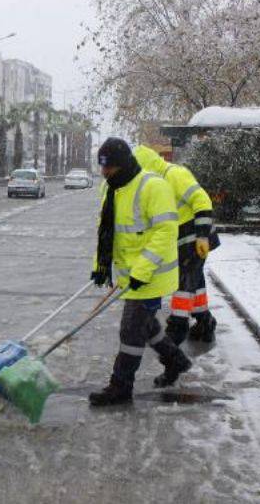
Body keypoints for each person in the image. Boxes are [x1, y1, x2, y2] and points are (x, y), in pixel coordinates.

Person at [89, 138, 192, 406]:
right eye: (102, 168)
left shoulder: (153, 186)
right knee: (147, 327)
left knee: (131, 331)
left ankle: (120, 387)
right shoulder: (111, 188)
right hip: (131, 274)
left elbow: (165, 232)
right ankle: (176, 360)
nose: (104, 173)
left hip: (152, 274)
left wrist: (142, 270)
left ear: (122, 164)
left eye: (109, 168)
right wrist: (99, 267)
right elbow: (106, 233)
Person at [134, 145, 219, 344]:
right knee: (195, 283)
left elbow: (202, 201)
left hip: (197, 237)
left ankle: (176, 328)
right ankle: (205, 323)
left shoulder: (175, 174)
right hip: (182, 239)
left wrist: (202, 236)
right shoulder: (153, 184)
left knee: (183, 283)